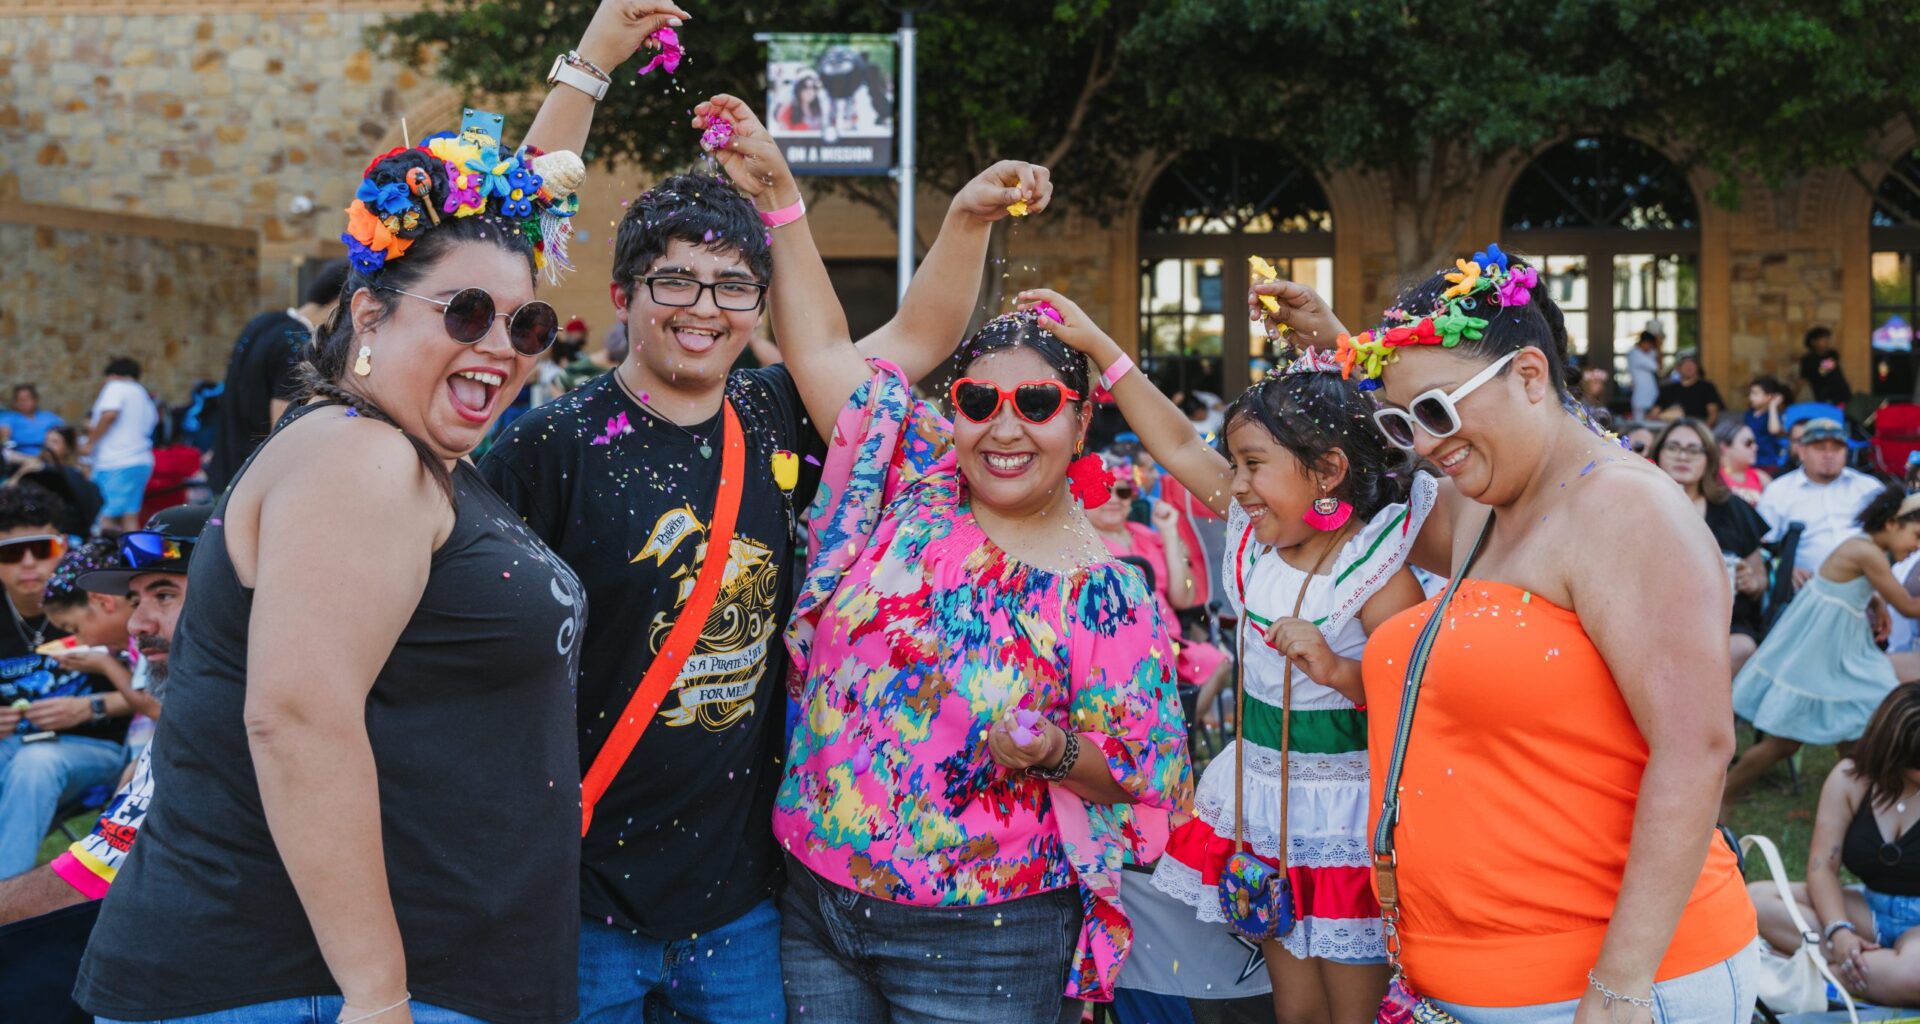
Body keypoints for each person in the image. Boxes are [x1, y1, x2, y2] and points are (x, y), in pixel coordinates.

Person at [66, 3, 673, 1006]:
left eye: (525, 325)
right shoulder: (360, 458)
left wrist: (593, 63)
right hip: (300, 990)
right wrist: (377, 993)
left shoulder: (402, 448)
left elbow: (497, 227)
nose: (500, 345)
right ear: (369, 315)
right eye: (466, 316)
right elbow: (297, 721)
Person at [481, 82, 1048, 1019]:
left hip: (740, 907)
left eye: (734, 286)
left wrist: (963, 221)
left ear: (758, 303)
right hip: (581, 897)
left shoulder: (775, 411)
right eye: (675, 282)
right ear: (623, 296)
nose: (704, 309)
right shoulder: (550, 448)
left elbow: (915, 338)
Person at [693, 96, 1186, 1018]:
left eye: (1037, 405)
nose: (1005, 427)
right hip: (814, 903)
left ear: (1082, 421)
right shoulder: (910, 478)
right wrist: (781, 198)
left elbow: (1141, 767)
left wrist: (1054, 749)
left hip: (984, 936)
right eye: (978, 402)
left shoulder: (1107, 591)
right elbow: (822, 345)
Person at [1276, 247, 1756, 1018]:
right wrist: (1342, 346)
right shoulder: (1483, 506)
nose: (1423, 443)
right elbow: (1341, 491)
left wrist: (1620, 986)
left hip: (1601, 986)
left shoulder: (1627, 512)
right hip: (1468, 981)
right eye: (1404, 421)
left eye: (1437, 412)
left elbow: (1694, 748)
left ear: (1531, 375)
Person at [1033, 289, 1432, 1022]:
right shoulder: (1257, 540)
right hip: (1263, 809)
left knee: (1356, 1013)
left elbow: (1423, 699)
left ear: (1327, 471)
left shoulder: (1376, 568)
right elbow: (1179, 446)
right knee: (1295, 1012)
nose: (1236, 485)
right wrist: (1101, 348)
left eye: (1253, 465)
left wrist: (1339, 671)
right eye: (1235, 466)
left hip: (1342, 819)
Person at [0, 506, 204, 1024]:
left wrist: (91, 702)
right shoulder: (193, 712)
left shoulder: (235, 720)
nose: (136, 624)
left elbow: (89, 876)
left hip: (193, 980)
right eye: (137, 599)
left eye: (164, 594)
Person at [1725, 485, 1920, 802]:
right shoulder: (1867, 553)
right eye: (1917, 535)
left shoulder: (1864, 546)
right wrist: (1883, 601)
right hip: (1819, 654)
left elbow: (1841, 581)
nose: (1917, 546)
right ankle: (1724, 794)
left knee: (1856, 728)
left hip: (1835, 651)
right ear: (1891, 524)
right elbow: (1909, 606)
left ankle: (1858, 801)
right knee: (1785, 742)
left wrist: (1874, 601)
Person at [1750, 683, 1920, 1003]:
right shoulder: (1850, 779)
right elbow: (1822, 868)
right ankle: (1866, 969)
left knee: (1915, 974)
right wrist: (1839, 931)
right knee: (1756, 900)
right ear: (1893, 751)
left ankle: (1819, 975)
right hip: (1869, 908)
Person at [0, 485, 130, 879]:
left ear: (63, 545)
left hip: (98, 750)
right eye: (10, 552)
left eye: (41, 549)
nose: (28, 563)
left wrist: (89, 707)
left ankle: (6, 901)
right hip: (12, 747)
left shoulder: (96, 599)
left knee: (36, 764)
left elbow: (160, 692)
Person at [1086, 455, 1231, 712]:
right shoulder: (1084, 542)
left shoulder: (1146, 535)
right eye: (1103, 490)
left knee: (1218, 661)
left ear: (1132, 499)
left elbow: (1182, 599)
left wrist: (1169, 530)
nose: (1114, 499)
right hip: (1118, 642)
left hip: (1169, 639)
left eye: (1123, 492)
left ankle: (1181, 728)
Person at [208, 258, 348, 492]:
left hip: (227, 465)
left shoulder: (262, 322)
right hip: (253, 479)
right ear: (338, 302)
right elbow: (283, 427)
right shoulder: (299, 344)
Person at [1651, 420, 1770, 680]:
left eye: (1694, 450)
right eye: (1673, 447)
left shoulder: (1733, 508)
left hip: (1723, 623)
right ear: (1658, 453)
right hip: (1655, 618)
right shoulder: (1641, 504)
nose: (1683, 456)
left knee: (1741, 647)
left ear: (1710, 458)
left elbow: (1760, 579)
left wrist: (1751, 582)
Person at [1756, 418, 1885, 582]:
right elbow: (1761, 549)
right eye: (1820, 448)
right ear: (1802, 451)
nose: (1829, 455)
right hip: (1806, 587)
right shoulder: (1778, 492)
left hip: (1869, 582)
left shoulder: (1869, 487)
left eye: (1837, 448)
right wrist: (1785, 568)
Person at [82, 358, 159, 535]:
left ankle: (103, 553)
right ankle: (132, 554)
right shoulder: (142, 394)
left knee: (105, 516)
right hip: (141, 461)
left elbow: (110, 414)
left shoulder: (116, 386)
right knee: (129, 517)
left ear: (113, 375)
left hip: (116, 462)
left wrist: (90, 442)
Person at [10, 427, 102, 538]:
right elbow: (10, 493)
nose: (48, 446)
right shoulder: (35, 470)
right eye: (46, 441)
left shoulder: (78, 472)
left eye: (55, 442)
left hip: (70, 530)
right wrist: (24, 471)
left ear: (68, 447)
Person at [1653, 351, 1724, 422]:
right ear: (1678, 368)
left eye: (1692, 364)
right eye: (1685, 364)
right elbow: (1654, 414)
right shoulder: (1668, 389)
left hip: (1698, 425)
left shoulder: (1707, 387)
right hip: (1670, 426)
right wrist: (1664, 415)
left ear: (1697, 367)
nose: (1689, 367)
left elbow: (1713, 414)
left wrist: (1702, 428)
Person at [1715, 420, 1771, 505]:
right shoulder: (1711, 478)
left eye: (1754, 442)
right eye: (1748, 443)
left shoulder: (1761, 478)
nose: (1755, 447)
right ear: (1724, 447)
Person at [0, 385, 64, 459]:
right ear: (15, 402)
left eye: (27, 398)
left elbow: (65, 433)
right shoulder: (8, 418)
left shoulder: (49, 417)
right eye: (20, 399)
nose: (23, 402)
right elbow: (4, 439)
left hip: (49, 455)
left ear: (35, 399)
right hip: (21, 457)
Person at [1746, 375, 1790, 473]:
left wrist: (1773, 406)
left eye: (1755, 394)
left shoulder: (1771, 415)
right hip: (1750, 460)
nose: (1751, 397)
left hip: (1767, 462)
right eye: (1750, 393)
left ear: (1769, 396)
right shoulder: (1749, 414)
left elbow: (1774, 430)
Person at [1802, 325, 1854, 405]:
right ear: (1813, 342)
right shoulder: (1807, 359)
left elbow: (1822, 370)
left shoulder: (1832, 354)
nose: (1826, 342)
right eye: (1823, 339)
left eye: (1827, 339)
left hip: (1843, 393)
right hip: (1824, 397)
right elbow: (1805, 378)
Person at [1628, 327, 1662, 421]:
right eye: (1650, 345)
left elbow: (1656, 356)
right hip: (1641, 398)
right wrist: (1659, 346)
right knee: (1640, 425)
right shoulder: (1635, 354)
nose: (1651, 348)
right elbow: (1658, 367)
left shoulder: (1647, 353)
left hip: (1651, 397)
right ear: (1644, 342)